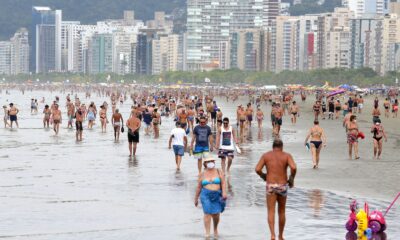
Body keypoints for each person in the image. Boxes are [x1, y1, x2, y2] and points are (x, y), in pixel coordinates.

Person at [255, 139, 297, 240]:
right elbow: (294, 167)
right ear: (282, 147)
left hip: (271, 186)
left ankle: (273, 235)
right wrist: (291, 178)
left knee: (271, 211)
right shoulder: (286, 155)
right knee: (282, 211)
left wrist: (263, 176)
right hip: (282, 185)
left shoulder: (266, 155)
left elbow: (257, 169)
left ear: (273, 147)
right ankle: (281, 236)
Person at [194, 157, 227, 238]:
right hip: (205, 195)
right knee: (207, 213)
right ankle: (207, 233)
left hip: (217, 194)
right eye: (208, 161)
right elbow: (199, 187)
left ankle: (215, 229)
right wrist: (196, 198)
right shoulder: (202, 174)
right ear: (205, 163)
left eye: (212, 161)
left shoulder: (219, 171)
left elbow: (223, 183)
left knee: (216, 214)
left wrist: (224, 192)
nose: (210, 162)